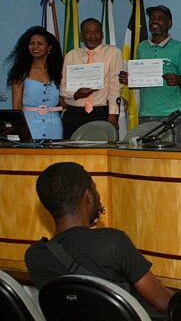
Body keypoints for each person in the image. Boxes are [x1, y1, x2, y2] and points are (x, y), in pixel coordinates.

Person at [24, 162, 172, 318]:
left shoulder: (35, 257)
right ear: (88, 195)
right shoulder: (113, 243)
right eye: (95, 189)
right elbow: (162, 301)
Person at [119, 5, 181, 143]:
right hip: (146, 113)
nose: (155, 21)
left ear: (169, 23)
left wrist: (177, 80)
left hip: (172, 115)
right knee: (148, 158)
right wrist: (129, 78)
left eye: (160, 18)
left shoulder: (179, 48)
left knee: (172, 157)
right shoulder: (142, 47)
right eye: (152, 18)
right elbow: (139, 77)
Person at [59, 18, 123, 139]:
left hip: (101, 112)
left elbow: (115, 86)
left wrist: (113, 115)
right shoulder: (72, 55)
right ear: (81, 36)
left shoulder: (113, 53)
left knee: (100, 153)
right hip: (74, 113)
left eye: (96, 32)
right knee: (72, 152)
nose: (92, 36)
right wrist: (76, 95)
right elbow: (63, 87)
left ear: (102, 35)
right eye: (87, 32)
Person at [6, 26, 64, 140]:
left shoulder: (59, 71)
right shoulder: (21, 72)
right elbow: (16, 106)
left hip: (54, 125)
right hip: (29, 125)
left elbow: (63, 101)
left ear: (49, 47)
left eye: (40, 43)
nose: (35, 47)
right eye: (32, 43)